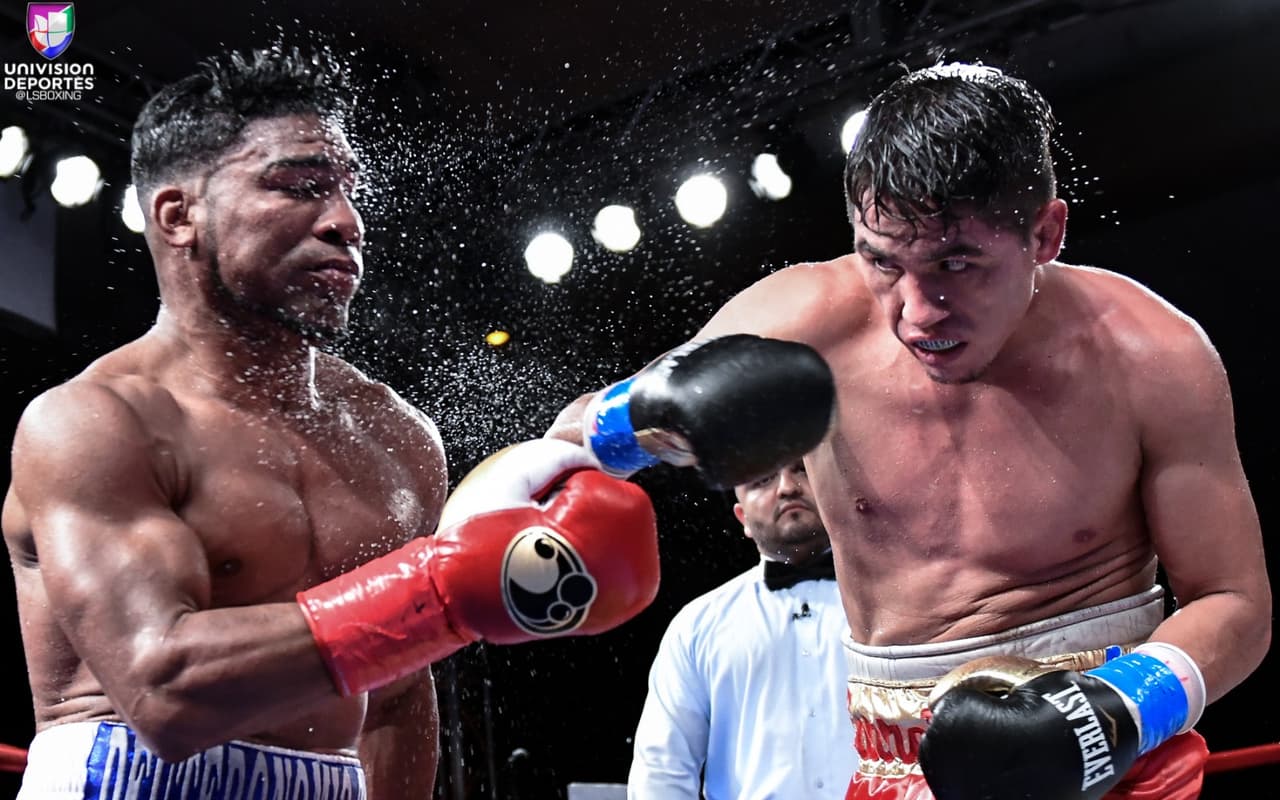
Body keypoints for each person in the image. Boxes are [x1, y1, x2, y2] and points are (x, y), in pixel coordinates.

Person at [549, 62, 1270, 799]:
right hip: (894, 762)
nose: (917, 311)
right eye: (883, 261)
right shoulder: (806, 325)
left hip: (1114, 757)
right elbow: (570, 440)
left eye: (958, 263)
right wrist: (646, 420)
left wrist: (1117, 706)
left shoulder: (1150, 355)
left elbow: (1235, 603)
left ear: (1045, 233)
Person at [1, 49, 665, 800]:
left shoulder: (395, 436)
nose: (345, 223)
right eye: (298, 188)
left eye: (348, 193)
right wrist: (446, 584)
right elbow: (166, 691)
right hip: (128, 776)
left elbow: (400, 697)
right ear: (179, 215)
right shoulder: (95, 423)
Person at [628, 460, 857, 799]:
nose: (786, 487)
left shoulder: (900, 606)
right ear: (742, 518)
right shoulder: (697, 626)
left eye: (802, 470)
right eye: (762, 479)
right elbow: (662, 769)